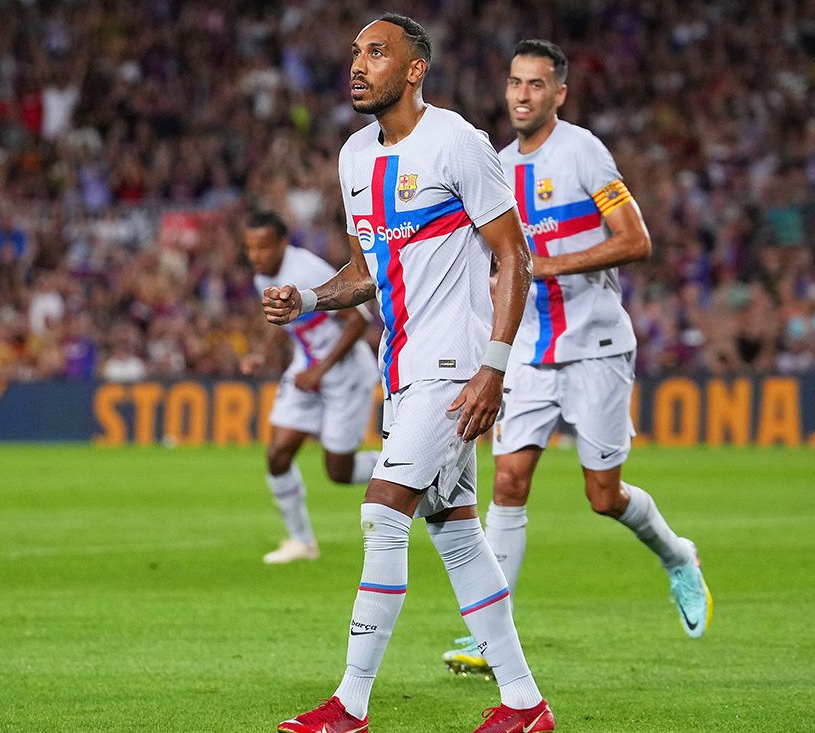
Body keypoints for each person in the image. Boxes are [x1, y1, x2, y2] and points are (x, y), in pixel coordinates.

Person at [264, 15, 556, 733]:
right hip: (403, 370)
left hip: (455, 366)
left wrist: (493, 368)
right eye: (354, 53)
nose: (357, 66)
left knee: (380, 509)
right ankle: (524, 703)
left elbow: (513, 255)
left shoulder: (457, 142)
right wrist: (306, 298)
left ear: (415, 68)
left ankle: (350, 704)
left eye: (375, 52)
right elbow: (366, 270)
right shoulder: (355, 156)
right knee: (455, 529)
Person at [443, 39, 712, 677]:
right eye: (514, 82)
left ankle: (678, 556)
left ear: (558, 94)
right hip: (530, 353)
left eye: (536, 85)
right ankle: (489, 639)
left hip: (595, 347)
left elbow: (636, 240)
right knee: (507, 482)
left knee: (602, 495)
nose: (521, 95)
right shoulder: (495, 167)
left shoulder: (584, 151)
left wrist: (553, 263)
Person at [242, 209, 381, 564]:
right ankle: (302, 542)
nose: (256, 256)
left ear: (282, 244)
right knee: (277, 455)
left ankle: (412, 467)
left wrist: (321, 371)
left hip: (345, 371)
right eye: (250, 248)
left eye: (263, 248)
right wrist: (261, 353)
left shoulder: (307, 272)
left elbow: (357, 323)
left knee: (339, 471)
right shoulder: (264, 277)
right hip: (307, 367)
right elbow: (284, 320)